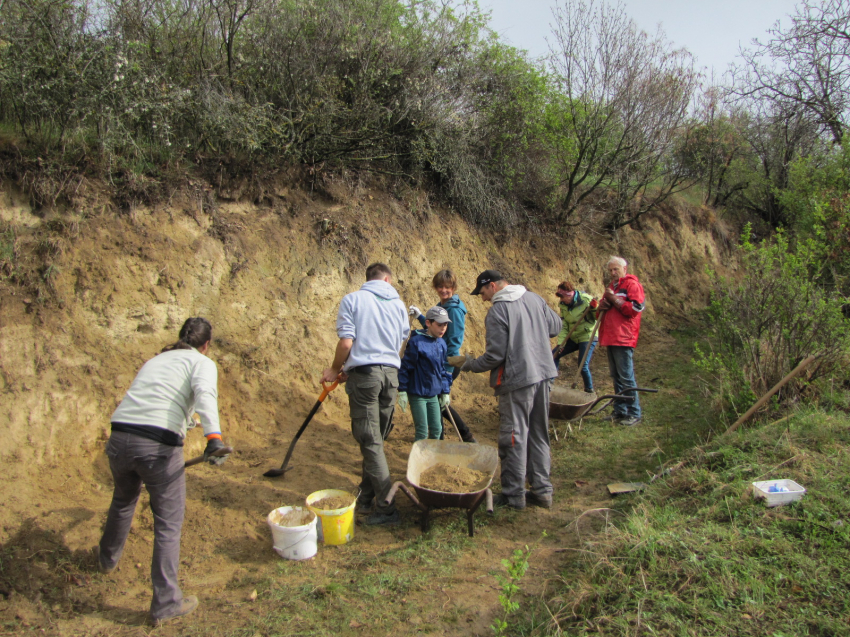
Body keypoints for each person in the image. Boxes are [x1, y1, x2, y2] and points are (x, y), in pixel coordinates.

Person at [96, 317, 229, 626]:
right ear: (206, 345)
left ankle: (106, 560)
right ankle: (166, 602)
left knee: (123, 501)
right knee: (168, 523)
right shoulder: (201, 363)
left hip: (119, 437)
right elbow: (206, 395)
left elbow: (153, 403)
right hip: (156, 449)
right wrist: (214, 438)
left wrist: (188, 422)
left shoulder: (157, 360)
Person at [449, 270, 562, 510]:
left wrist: (468, 363)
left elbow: (495, 356)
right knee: (538, 433)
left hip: (518, 381)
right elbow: (555, 327)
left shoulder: (498, 311)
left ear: (492, 286)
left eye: (482, 293)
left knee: (513, 438)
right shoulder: (534, 298)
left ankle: (513, 496)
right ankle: (542, 491)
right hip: (543, 375)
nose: (483, 299)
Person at [321, 262, 410, 526]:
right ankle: (365, 495)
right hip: (391, 376)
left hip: (366, 378)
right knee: (376, 440)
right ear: (386, 278)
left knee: (370, 441)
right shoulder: (399, 306)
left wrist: (336, 368)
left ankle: (387, 508)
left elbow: (347, 342)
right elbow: (402, 341)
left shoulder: (353, 300)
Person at [407, 269, 477, 442]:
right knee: (437, 402)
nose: (443, 290)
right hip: (439, 362)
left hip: (446, 363)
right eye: (440, 287)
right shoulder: (444, 305)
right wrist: (421, 317)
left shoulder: (453, 310)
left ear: (453, 287)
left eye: (447, 287)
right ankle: (441, 438)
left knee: (440, 402)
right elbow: (436, 329)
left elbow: (452, 342)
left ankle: (465, 436)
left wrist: (445, 370)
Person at [597, 256, 645, 427]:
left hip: (623, 337)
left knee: (626, 377)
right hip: (610, 336)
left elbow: (635, 309)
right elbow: (603, 311)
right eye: (610, 270)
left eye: (615, 269)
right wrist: (601, 306)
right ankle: (620, 411)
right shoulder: (612, 287)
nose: (613, 273)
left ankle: (634, 413)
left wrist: (614, 300)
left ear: (625, 268)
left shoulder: (632, 285)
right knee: (616, 376)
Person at [397, 306, 454, 441]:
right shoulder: (416, 342)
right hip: (417, 394)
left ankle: (432, 458)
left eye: (445, 325)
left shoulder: (441, 344)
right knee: (422, 432)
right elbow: (405, 367)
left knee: (437, 429)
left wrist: (445, 391)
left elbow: (442, 369)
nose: (443, 328)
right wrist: (402, 390)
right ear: (428, 323)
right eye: (439, 325)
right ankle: (418, 460)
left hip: (433, 394)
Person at [553, 281, 598, 393]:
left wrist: (594, 308)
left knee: (582, 365)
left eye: (562, 297)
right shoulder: (563, 305)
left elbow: (596, 317)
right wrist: (561, 343)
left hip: (587, 336)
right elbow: (564, 325)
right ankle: (550, 383)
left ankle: (589, 390)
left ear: (569, 294)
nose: (561, 300)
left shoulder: (585, 299)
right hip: (573, 337)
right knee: (554, 354)